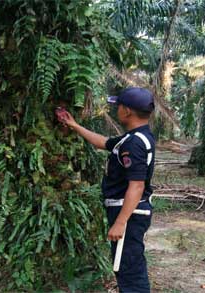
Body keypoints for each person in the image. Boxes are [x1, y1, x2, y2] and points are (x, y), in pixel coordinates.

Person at [56, 87, 156, 292]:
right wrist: (74, 125)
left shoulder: (135, 143)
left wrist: (120, 222)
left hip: (129, 213)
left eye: (118, 106)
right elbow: (103, 143)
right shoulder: (135, 137)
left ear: (127, 111)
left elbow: (137, 186)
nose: (115, 110)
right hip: (128, 211)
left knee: (129, 270)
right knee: (128, 266)